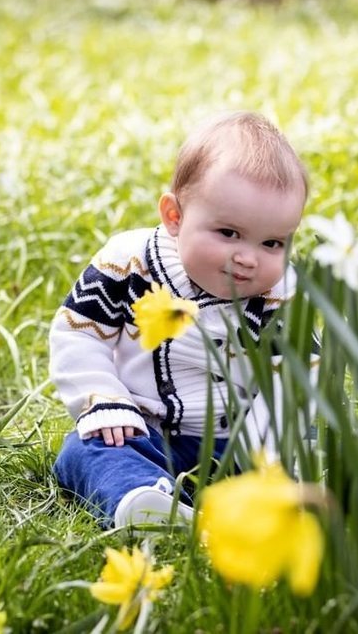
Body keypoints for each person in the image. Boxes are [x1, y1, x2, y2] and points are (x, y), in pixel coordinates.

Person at [49, 111, 308, 527]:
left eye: (272, 242)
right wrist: (103, 399)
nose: (247, 257)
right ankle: (146, 501)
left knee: (298, 460)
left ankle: (241, 508)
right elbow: (79, 335)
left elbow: (292, 377)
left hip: (236, 441)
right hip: (142, 430)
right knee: (84, 450)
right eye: (228, 233)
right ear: (174, 216)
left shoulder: (281, 294)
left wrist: (265, 451)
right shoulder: (128, 263)